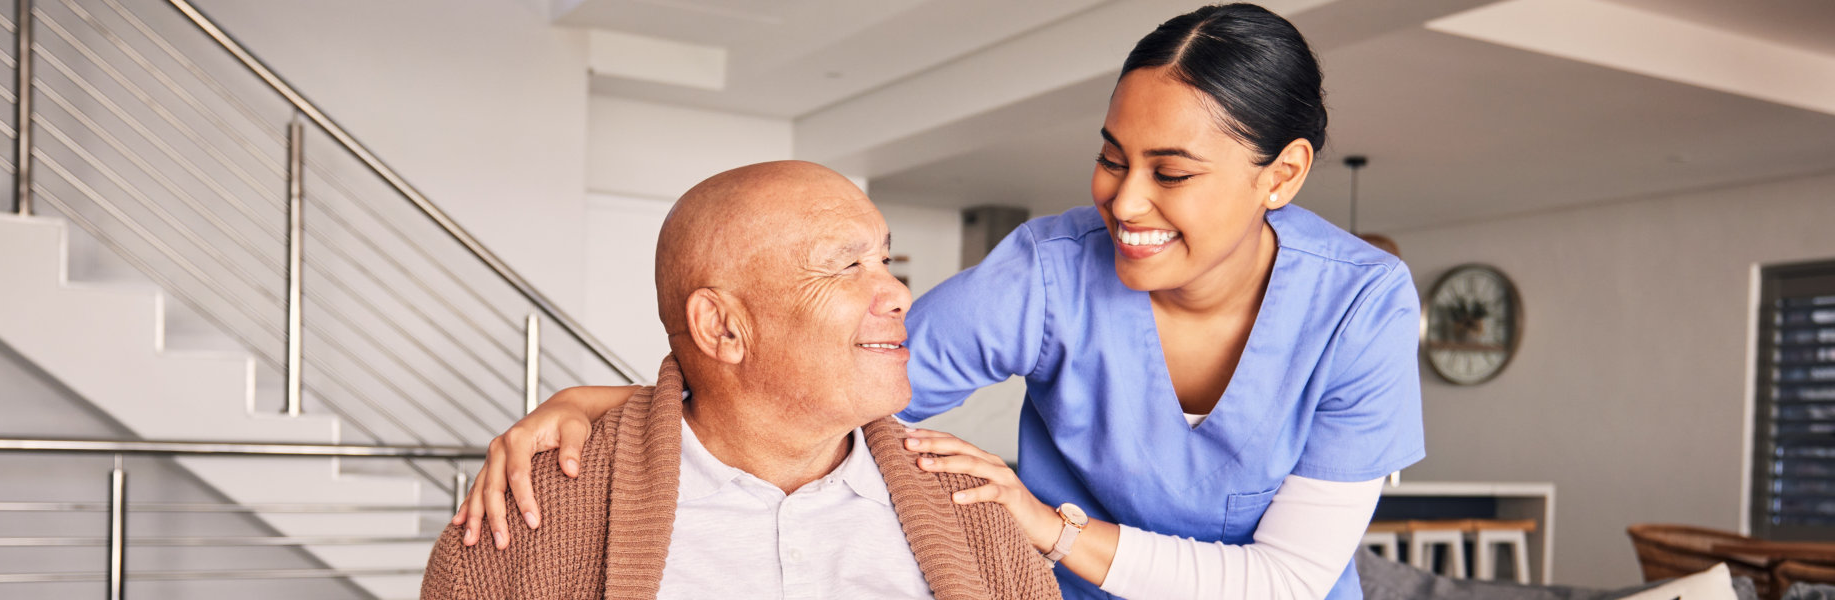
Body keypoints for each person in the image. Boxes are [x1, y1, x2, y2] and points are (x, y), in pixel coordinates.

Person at [453, 5, 1423, 599]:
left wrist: (1048, 528)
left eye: (1171, 172)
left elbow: (1288, 580)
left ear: (1284, 175)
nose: (1125, 202)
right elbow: (828, 380)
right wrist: (636, 411)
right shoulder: (1051, 268)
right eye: (1112, 157)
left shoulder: (1361, 305)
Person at [420, 161, 1060, 599]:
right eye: (846, 267)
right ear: (722, 327)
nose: (897, 291)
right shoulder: (533, 510)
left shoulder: (975, 506)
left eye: (885, 260)